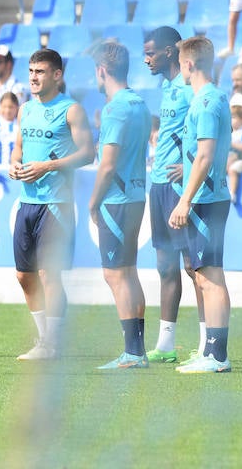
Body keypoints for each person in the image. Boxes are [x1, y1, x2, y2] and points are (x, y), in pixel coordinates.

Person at [9, 49, 95, 361]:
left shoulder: (71, 110)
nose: (33, 77)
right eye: (31, 71)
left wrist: (47, 166)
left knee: (49, 274)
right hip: (27, 202)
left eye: (40, 71)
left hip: (56, 204)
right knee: (24, 276)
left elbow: (88, 153)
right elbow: (17, 148)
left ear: (57, 75)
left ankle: (52, 344)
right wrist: (14, 164)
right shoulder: (25, 110)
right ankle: (43, 338)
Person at [169, 36, 235, 374]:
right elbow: (205, 152)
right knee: (205, 276)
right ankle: (211, 351)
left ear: (189, 64)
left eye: (180, 63)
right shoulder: (211, 99)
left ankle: (217, 355)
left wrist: (184, 199)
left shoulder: (207, 102)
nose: (179, 69)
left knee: (210, 278)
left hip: (205, 201)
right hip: (208, 197)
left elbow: (207, 155)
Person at [85, 41, 152, 369]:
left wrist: (93, 202)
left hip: (117, 200)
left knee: (115, 275)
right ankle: (137, 350)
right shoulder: (139, 103)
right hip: (137, 195)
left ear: (102, 70)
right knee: (128, 272)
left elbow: (107, 164)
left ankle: (133, 352)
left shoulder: (114, 108)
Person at [142, 26, 204, 362]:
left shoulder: (189, 86)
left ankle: (208, 341)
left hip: (182, 187)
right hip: (160, 185)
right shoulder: (167, 87)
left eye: (150, 52)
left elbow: (208, 129)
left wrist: (189, 165)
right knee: (165, 266)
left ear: (169, 52)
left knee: (195, 268)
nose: (145, 58)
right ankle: (166, 345)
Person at [227, 105, 242, 207]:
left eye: (234, 117)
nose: (232, 120)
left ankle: (232, 193)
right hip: (228, 158)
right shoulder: (228, 131)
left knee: (232, 170)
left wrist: (232, 144)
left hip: (241, 159)